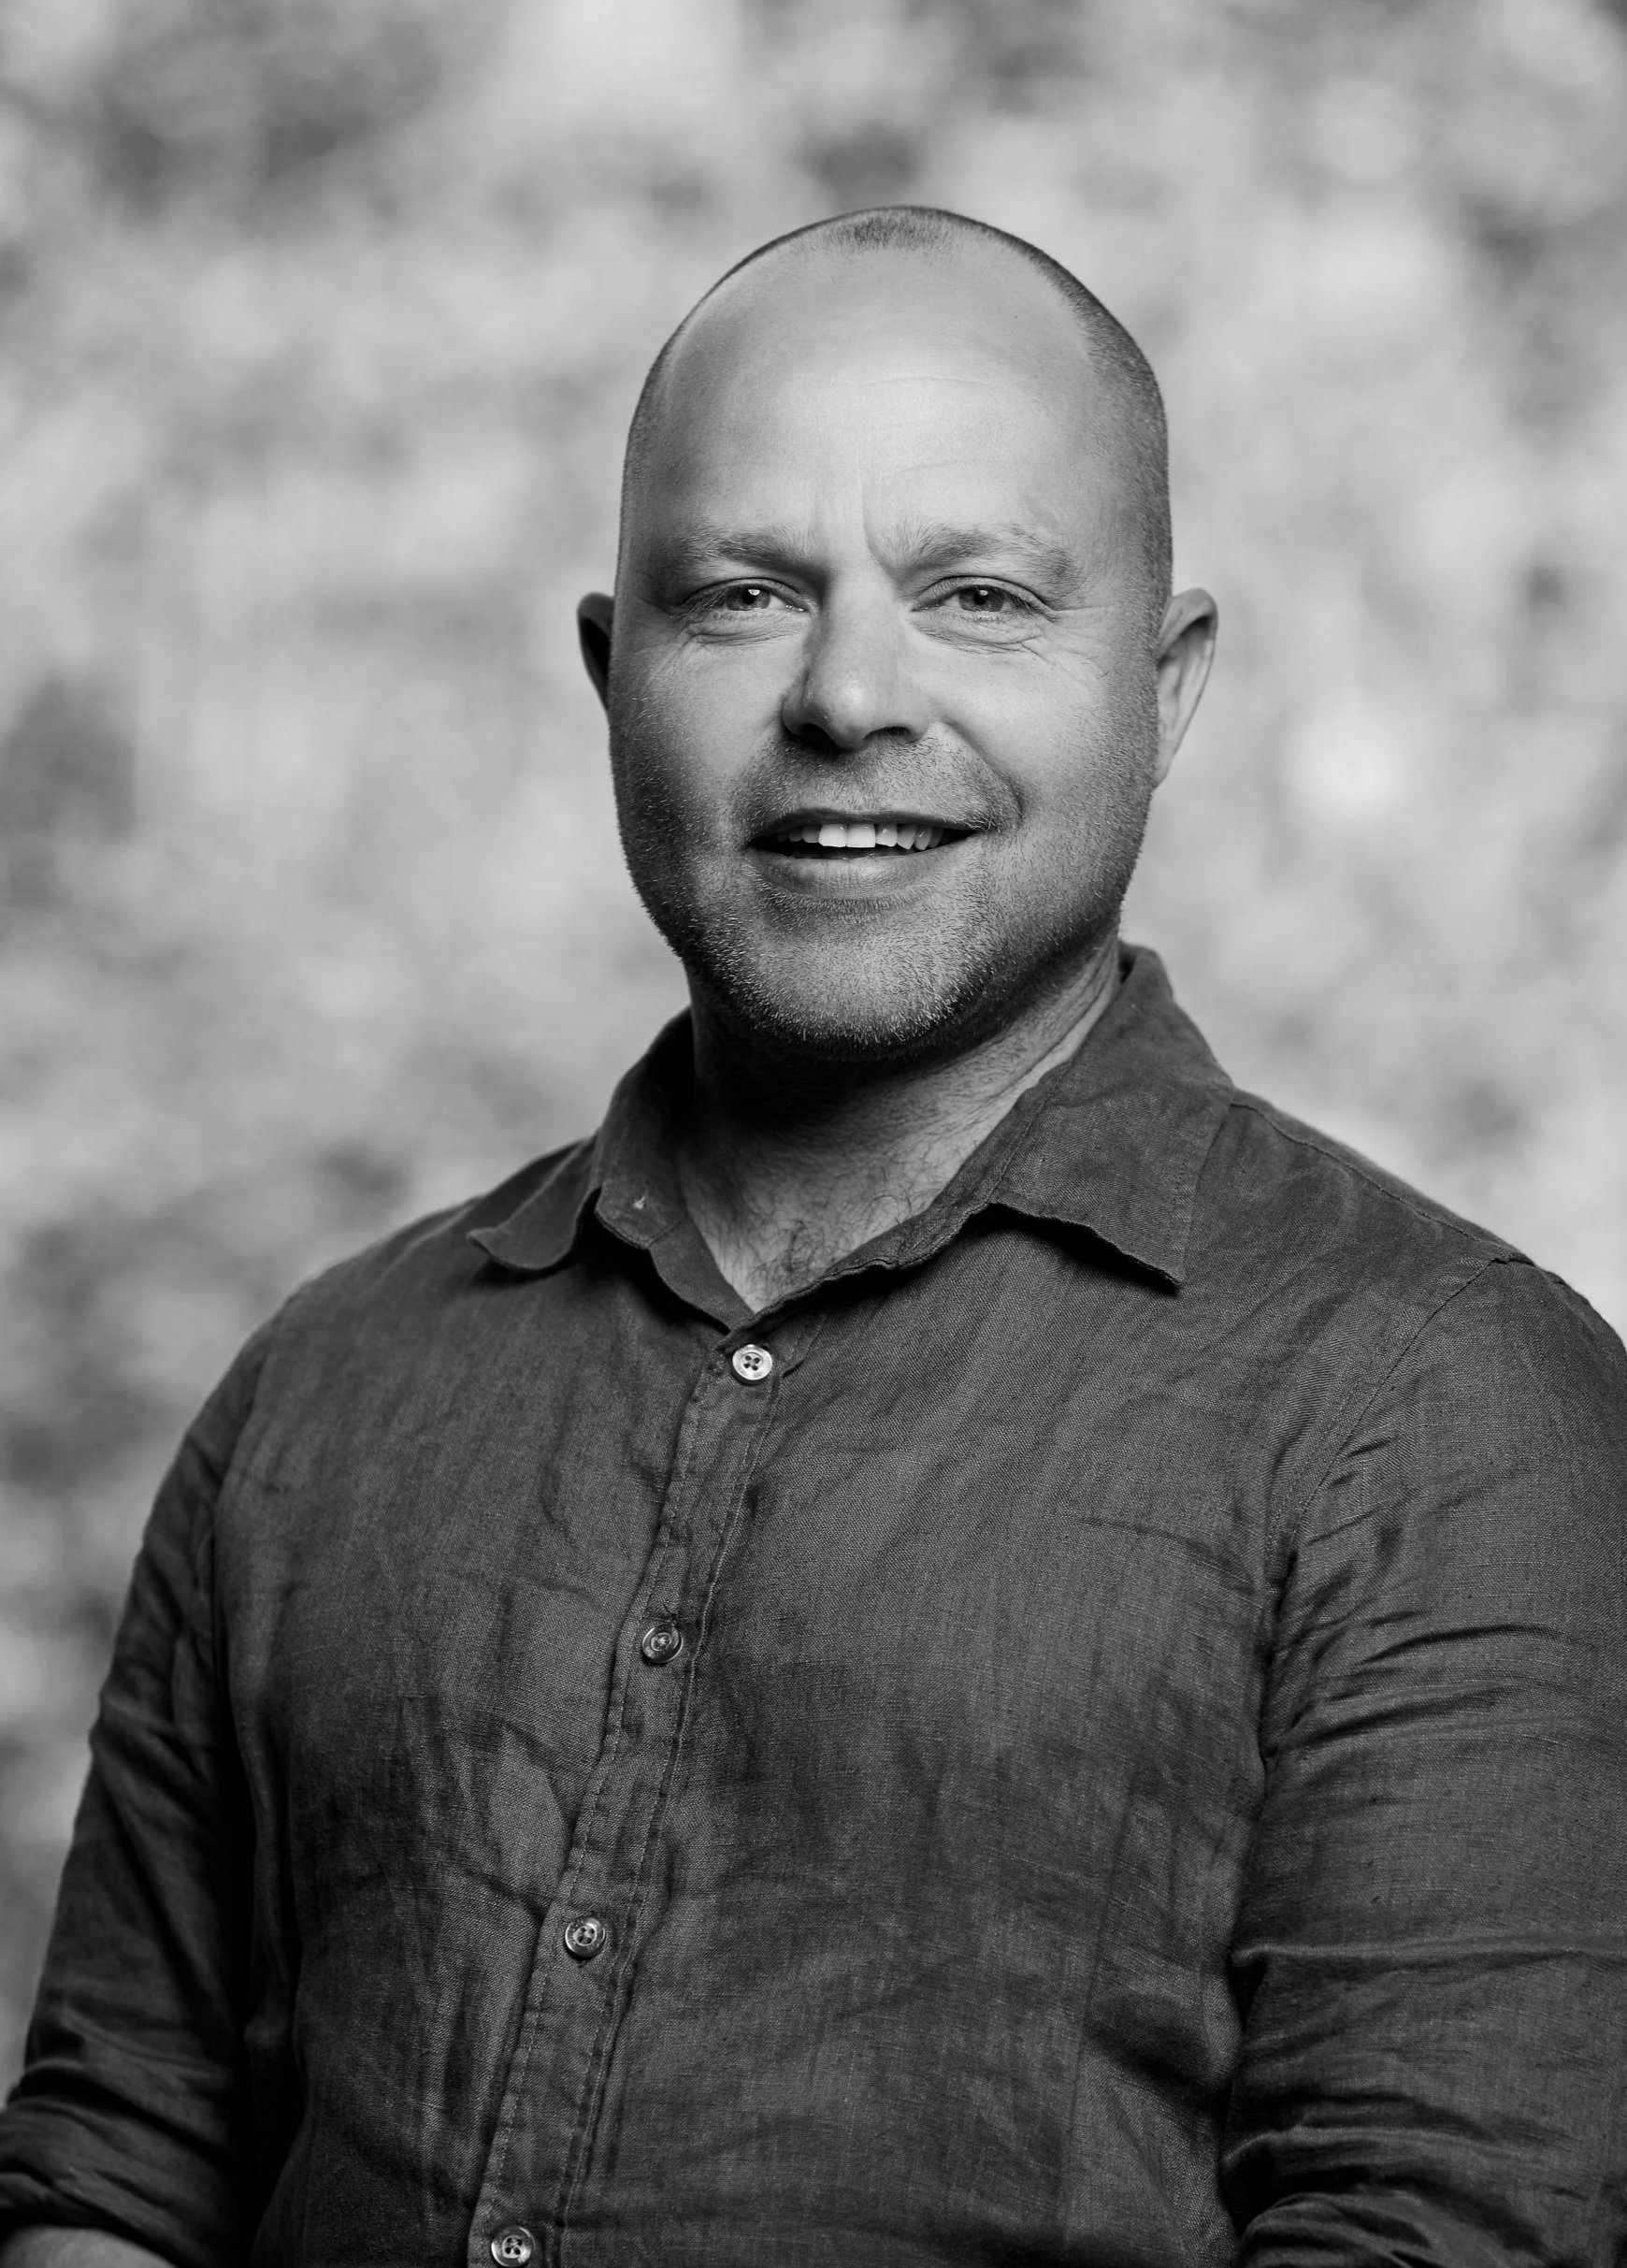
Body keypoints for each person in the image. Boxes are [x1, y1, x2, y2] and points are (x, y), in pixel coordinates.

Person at [1, 204, 1624, 2268]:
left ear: (1167, 680)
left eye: (978, 593)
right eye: (746, 593)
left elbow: (1454, 2230)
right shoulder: (324, 1389)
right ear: (614, 673)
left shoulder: (1453, 1414)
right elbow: (114, 2178)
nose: (853, 692)